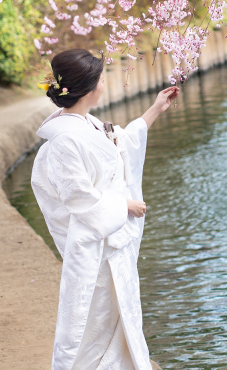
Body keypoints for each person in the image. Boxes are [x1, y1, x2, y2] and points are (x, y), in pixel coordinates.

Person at [30, 49, 179, 370]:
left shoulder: (86, 124)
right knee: (91, 327)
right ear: (88, 88)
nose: (104, 84)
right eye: (100, 78)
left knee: (123, 316)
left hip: (114, 245)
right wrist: (123, 203)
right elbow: (79, 199)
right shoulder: (64, 139)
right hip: (94, 251)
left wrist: (154, 110)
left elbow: (121, 143)